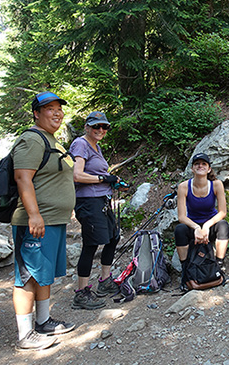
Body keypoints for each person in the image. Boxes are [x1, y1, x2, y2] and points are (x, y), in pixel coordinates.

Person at [11, 91, 76, 350]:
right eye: (49, 108)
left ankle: (43, 321)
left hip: (52, 220)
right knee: (27, 275)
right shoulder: (32, 139)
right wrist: (34, 214)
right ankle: (25, 335)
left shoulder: (51, 140)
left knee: (43, 274)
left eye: (59, 108)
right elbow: (22, 178)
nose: (57, 112)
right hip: (35, 221)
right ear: (36, 113)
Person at [70, 111, 125, 310]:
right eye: (96, 126)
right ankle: (81, 293)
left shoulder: (96, 146)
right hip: (88, 202)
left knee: (113, 238)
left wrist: (113, 181)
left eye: (104, 127)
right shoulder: (81, 144)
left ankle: (105, 280)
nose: (101, 130)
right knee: (91, 244)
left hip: (102, 199)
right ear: (87, 127)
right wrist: (104, 179)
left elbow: (97, 173)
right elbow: (77, 175)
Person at [175, 153, 229, 282]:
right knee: (180, 229)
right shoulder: (183, 187)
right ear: (192, 169)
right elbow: (181, 217)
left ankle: (219, 267)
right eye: (197, 164)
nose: (200, 166)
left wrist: (206, 226)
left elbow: (223, 212)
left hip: (210, 226)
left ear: (209, 168)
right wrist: (196, 228)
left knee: (223, 225)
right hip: (193, 228)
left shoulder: (217, 184)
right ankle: (185, 272)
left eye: (204, 164)